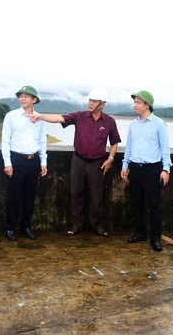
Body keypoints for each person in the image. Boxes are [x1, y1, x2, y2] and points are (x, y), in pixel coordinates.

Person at [30, 87, 120, 236]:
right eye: (89, 100)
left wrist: (110, 158)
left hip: (98, 163)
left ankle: (96, 226)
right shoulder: (80, 116)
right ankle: (77, 225)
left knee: (96, 196)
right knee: (76, 194)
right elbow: (60, 118)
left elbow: (115, 141)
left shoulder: (109, 121)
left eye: (94, 101)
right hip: (78, 161)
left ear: (102, 104)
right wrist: (40, 117)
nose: (90, 103)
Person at [121, 90, 172, 251]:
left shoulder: (158, 124)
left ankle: (156, 237)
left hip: (152, 169)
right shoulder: (133, 125)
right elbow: (129, 147)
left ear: (147, 105)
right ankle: (140, 233)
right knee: (136, 202)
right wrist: (125, 166)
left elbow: (165, 148)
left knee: (154, 204)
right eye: (134, 102)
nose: (134, 105)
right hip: (136, 168)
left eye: (137, 102)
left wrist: (166, 169)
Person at [2, 86, 47, 241]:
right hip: (17, 160)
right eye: (20, 96)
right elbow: (5, 140)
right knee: (13, 196)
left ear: (34, 100)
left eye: (26, 96)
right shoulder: (11, 116)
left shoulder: (40, 118)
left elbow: (42, 140)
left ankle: (25, 226)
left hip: (33, 161)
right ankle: (10, 228)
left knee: (29, 196)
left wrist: (43, 161)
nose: (22, 98)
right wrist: (7, 163)